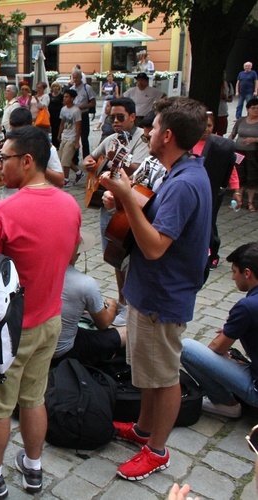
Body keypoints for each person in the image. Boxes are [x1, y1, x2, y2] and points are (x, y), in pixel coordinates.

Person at [0, 126, 81, 496]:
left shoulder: (1, 212)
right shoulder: (70, 204)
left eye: (5, 158)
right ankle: (32, 468)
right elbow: (70, 256)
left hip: (9, 329)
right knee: (34, 397)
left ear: (27, 161)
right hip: (50, 319)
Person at [100, 97, 211, 481]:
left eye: (154, 125)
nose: (146, 132)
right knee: (147, 370)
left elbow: (154, 245)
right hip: (152, 289)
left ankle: (157, 451)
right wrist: (127, 198)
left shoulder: (185, 183)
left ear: (167, 135)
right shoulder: (181, 171)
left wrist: (127, 197)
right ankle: (144, 429)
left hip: (163, 296)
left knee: (164, 377)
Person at [84, 97, 150, 326]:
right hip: (108, 204)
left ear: (133, 116)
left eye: (120, 117)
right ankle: (122, 302)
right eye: (112, 117)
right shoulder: (111, 138)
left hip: (131, 204)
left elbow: (141, 167)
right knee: (114, 257)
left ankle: (131, 304)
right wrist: (91, 163)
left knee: (128, 258)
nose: (116, 121)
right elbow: (89, 157)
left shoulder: (143, 138)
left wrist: (117, 160)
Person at [181, 242, 258, 419]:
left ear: (247, 273)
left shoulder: (247, 306)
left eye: (234, 272)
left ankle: (225, 402)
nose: (232, 278)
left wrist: (226, 337)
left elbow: (217, 348)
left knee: (186, 348)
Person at [53, 232, 126, 365]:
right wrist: (113, 306)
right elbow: (103, 323)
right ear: (78, 253)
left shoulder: (40, 270)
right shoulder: (85, 283)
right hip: (63, 351)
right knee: (128, 331)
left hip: (40, 343)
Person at [193, 112, 236, 272]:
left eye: (209, 126)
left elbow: (230, 169)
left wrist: (236, 190)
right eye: (202, 126)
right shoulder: (187, 142)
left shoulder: (222, 146)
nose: (205, 129)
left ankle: (213, 253)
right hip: (192, 188)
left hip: (211, 190)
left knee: (209, 223)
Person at [229, 97, 258, 211]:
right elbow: (233, 133)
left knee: (252, 177)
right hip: (239, 152)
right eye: (253, 108)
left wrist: (254, 139)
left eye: (257, 109)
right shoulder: (241, 120)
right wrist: (228, 142)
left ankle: (250, 202)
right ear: (248, 109)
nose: (255, 110)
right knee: (238, 175)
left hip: (253, 153)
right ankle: (237, 200)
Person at [70, 68, 96, 161]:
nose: (75, 79)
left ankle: (86, 158)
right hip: (74, 116)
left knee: (84, 137)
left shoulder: (87, 88)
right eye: (74, 78)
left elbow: (93, 102)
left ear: (81, 77)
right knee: (74, 136)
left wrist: (83, 106)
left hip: (83, 115)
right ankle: (75, 158)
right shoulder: (71, 89)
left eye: (77, 77)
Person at [59, 88, 83, 186]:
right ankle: (78, 172)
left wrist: (77, 142)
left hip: (72, 137)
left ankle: (66, 179)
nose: (64, 98)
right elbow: (62, 123)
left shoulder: (76, 111)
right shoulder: (63, 109)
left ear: (72, 99)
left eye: (66, 97)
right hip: (65, 136)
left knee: (65, 160)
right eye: (64, 96)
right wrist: (59, 134)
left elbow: (78, 127)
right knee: (63, 159)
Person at [48, 81, 64, 148]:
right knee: (52, 130)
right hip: (51, 114)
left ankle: (57, 143)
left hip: (58, 115)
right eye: (54, 86)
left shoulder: (61, 96)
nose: (55, 88)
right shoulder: (49, 95)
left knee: (57, 130)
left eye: (56, 86)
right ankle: (53, 143)